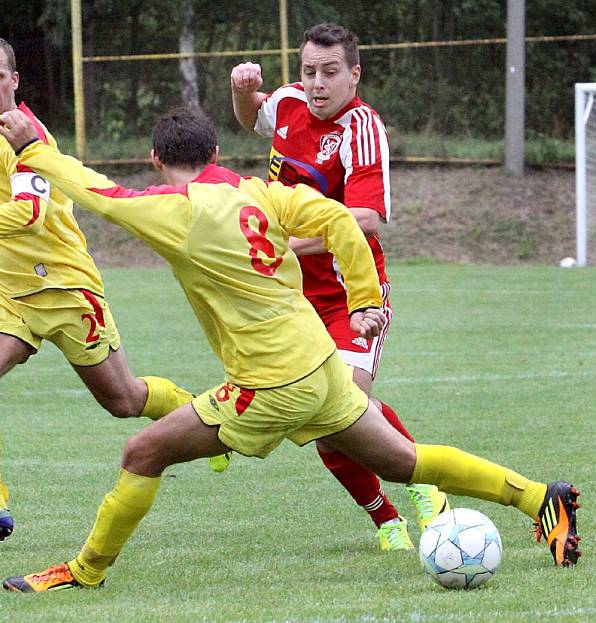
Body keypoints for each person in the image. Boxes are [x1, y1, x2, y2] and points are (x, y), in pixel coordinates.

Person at [0, 107, 580, 592]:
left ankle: (86, 571)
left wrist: (33, 149)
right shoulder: (261, 193)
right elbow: (341, 221)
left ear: (156, 159)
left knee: (143, 451)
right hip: (321, 364)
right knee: (404, 461)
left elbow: (99, 193)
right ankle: (538, 498)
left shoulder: (173, 210)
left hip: (267, 386)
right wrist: (363, 302)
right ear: (218, 153)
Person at [0, 34, 201, 542]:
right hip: (7, 294)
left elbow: (31, 214)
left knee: (123, 401)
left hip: (63, 290)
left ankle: (201, 415)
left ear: (15, 80)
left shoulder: (24, 133)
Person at [230, 23, 443, 550]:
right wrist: (240, 90)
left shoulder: (361, 127)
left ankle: (425, 482)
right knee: (321, 417)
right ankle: (386, 521)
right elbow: (251, 116)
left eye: (330, 72)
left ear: (354, 74)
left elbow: (366, 218)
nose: (317, 84)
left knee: (344, 401)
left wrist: (280, 244)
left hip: (354, 294)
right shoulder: (288, 103)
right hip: (293, 298)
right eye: (309, 72)